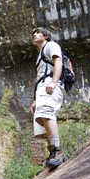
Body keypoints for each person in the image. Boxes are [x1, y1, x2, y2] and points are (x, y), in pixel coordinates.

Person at [30, 27, 67, 168]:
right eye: (33, 33)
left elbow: (58, 62)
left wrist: (54, 82)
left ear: (45, 36)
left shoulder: (51, 45)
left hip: (50, 83)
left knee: (46, 113)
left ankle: (58, 151)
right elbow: (39, 77)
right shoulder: (40, 54)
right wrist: (35, 100)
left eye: (38, 33)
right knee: (41, 121)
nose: (34, 35)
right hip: (42, 88)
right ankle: (52, 152)